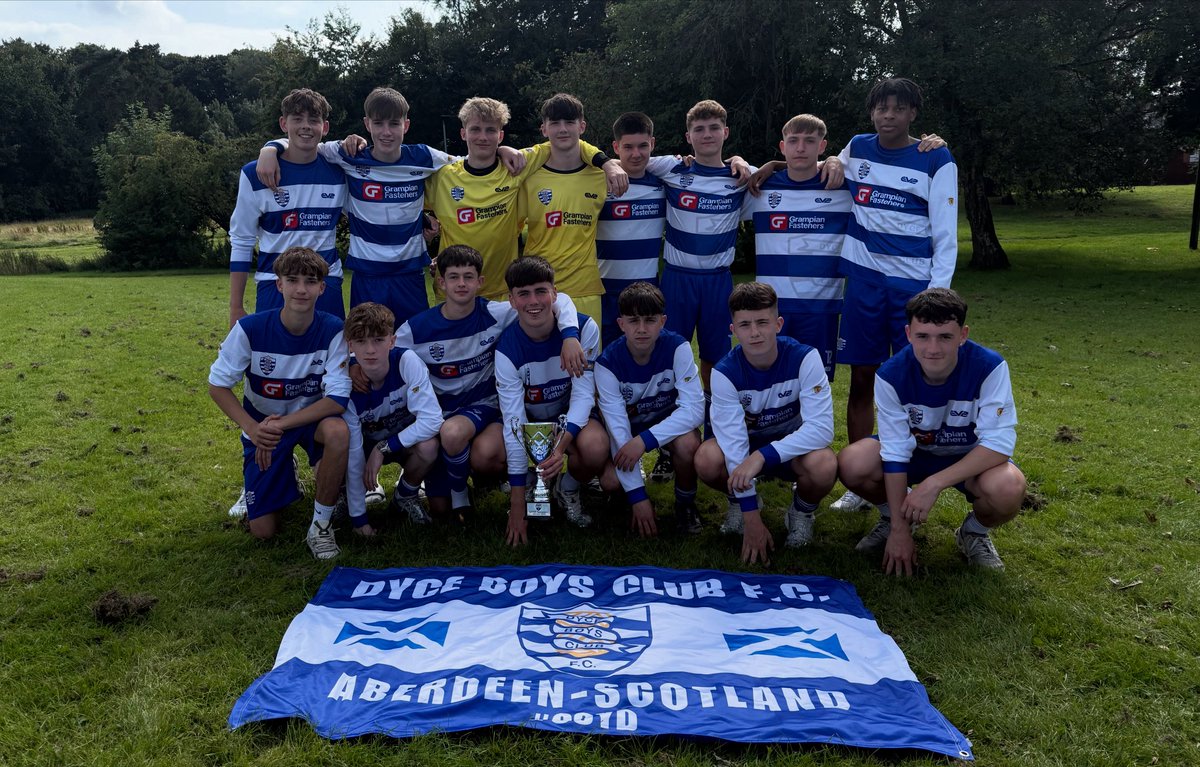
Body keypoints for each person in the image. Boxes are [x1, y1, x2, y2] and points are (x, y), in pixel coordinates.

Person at [832, 77, 958, 513]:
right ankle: (859, 480)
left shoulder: (936, 157)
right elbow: (826, 164)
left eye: (898, 108)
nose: (888, 116)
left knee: (912, 385)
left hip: (913, 291)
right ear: (871, 113)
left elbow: (946, 235)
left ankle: (911, 475)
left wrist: (935, 297)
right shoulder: (857, 147)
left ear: (912, 114)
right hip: (864, 284)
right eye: (881, 108)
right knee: (863, 379)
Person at [836, 288, 1026, 575]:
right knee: (852, 463)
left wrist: (933, 484)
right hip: (918, 455)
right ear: (908, 334)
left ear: (963, 335)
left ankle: (973, 533)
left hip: (968, 458)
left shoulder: (990, 366)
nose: (933, 349)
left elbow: (999, 444)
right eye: (923, 336)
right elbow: (896, 451)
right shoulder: (890, 374)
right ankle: (894, 519)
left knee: (1008, 487)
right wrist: (900, 530)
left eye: (945, 337)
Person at [393, 245, 584, 519]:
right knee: (439, 510)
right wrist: (355, 368)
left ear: (480, 282)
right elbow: (385, 352)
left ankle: (466, 493)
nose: (461, 283)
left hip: (482, 408)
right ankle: (459, 485)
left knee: (458, 436)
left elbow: (560, 299)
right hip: (438, 414)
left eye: (469, 276)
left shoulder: (496, 314)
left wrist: (569, 334)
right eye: (454, 277)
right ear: (441, 282)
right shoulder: (416, 329)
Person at [255, 87, 462, 328]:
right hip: (367, 276)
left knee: (413, 345)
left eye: (394, 124)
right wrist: (270, 148)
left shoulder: (424, 156)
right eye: (378, 123)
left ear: (406, 125)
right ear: (367, 124)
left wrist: (502, 150)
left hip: (410, 275)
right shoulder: (349, 154)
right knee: (366, 345)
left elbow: (468, 164)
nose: (386, 132)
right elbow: (304, 142)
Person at [208, 246, 351, 560]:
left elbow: (337, 399)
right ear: (279, 284)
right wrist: (252, 428)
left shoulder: (333, 330)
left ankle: (321, 527)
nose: (302, 289)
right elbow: (217, 385)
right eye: (293, 279)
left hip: (306, 422)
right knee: (264, 531)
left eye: (310, 281)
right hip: (263, 424)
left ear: (322, 288)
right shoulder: (250, 329)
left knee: (339, 432)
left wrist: (281, 425)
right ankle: (286, 473)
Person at [431, 96, 627, 302]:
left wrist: (606, 163)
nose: (483, 137)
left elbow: (563, 142)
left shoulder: (516, 168)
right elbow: (407, 202)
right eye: (475, 130)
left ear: (500, 135)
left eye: (490, 130)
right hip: (452, 292)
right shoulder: (442, 176)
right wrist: (426, 224)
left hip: (502, 293)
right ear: (463, 133)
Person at [695, 282, 837, 564]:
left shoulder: (805, 358)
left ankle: (800, 511)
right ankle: (739, 502)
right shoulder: (724, 372)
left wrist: (763, 456)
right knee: (706, 459)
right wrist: (751, 517)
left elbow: (822, 429)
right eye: (745, 325)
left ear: (778, 324)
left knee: (825, 464)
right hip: (745, 451)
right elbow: (734, 445)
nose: (755, 332)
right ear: (733, 330)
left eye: (763, 322)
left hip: (790, 449)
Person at [495, 256, 612, 546]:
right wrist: (518, 499)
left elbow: (584, 395)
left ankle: (568, 488)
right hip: (530, 424)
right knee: (487, 452)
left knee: (596, 447)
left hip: (567, 418)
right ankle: (533, 485)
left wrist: (559, 449)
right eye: (523, 294)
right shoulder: (507, 349)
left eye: (541, 291)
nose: (533, 301)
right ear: (511, 301)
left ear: (554, 294)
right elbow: (513, 419)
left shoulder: (584, 329)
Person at [740, 114, 851, 381]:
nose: (801, 148)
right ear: (782, 146)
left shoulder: (843, 189)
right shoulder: (761, 188)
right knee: (771, 384)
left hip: (820, 309)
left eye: (809, 141)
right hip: (771, 308)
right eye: (793, 141)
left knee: (816, 386)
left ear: (822, 146)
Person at [229, 88, 346, 329]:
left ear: (325, 127)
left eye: (313, 120)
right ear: (284, 123)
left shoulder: (340, 172)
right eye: (297, 119)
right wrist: (236, 307)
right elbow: (242, 240)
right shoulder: (255, 174)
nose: (306, 126)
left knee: (331, 364)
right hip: (274, 284)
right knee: (273, 362)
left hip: (326, 284)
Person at [593, 282, 705, 537]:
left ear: (662, 321)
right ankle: (624, 499)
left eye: (650, 320)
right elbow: (618, 429)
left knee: (689, 444)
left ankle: (685, 504)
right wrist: (638, 496)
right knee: (611, 481)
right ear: (621, 324)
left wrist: (645, 441)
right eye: (633, 321)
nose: (642, 329)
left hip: (663, 428)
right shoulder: (607, 364)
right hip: (628, 433)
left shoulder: (678, 348)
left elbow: (695, 409)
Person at [517, 93, 629, 320]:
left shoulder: (603, 174)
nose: (563, 129)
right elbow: (508, 231)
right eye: (555, 123)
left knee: (585, 357)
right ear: (544, 130)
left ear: (582, 126)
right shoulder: (528, 177)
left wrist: (684, 159)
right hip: (539, 289)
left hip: (584, 289)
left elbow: (643, 163)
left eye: (569, 122)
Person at [342, 302, 442, 529]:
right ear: (350, 345)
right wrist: (360, 521)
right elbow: (354, 450)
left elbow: (433, 419)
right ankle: (344, 497)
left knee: (428, 447)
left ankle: (405, 495)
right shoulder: (345, 381)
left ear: (392, 340)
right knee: (338, 447)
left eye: (378, 340)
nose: (369, 350)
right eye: (360, 341)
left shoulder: (407, 361)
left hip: (399, 443)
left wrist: (384, 447)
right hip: (362, 448)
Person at [596, 112, 667, 349]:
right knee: (603, 359)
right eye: (628, 147)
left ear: (653, 144)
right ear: (616, 147)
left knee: (645, 359)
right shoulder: (597, 183)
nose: (636, 154)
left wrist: (737, 158)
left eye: (643, 146)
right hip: (604, 290)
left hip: (647, 290)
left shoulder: (664, 183)